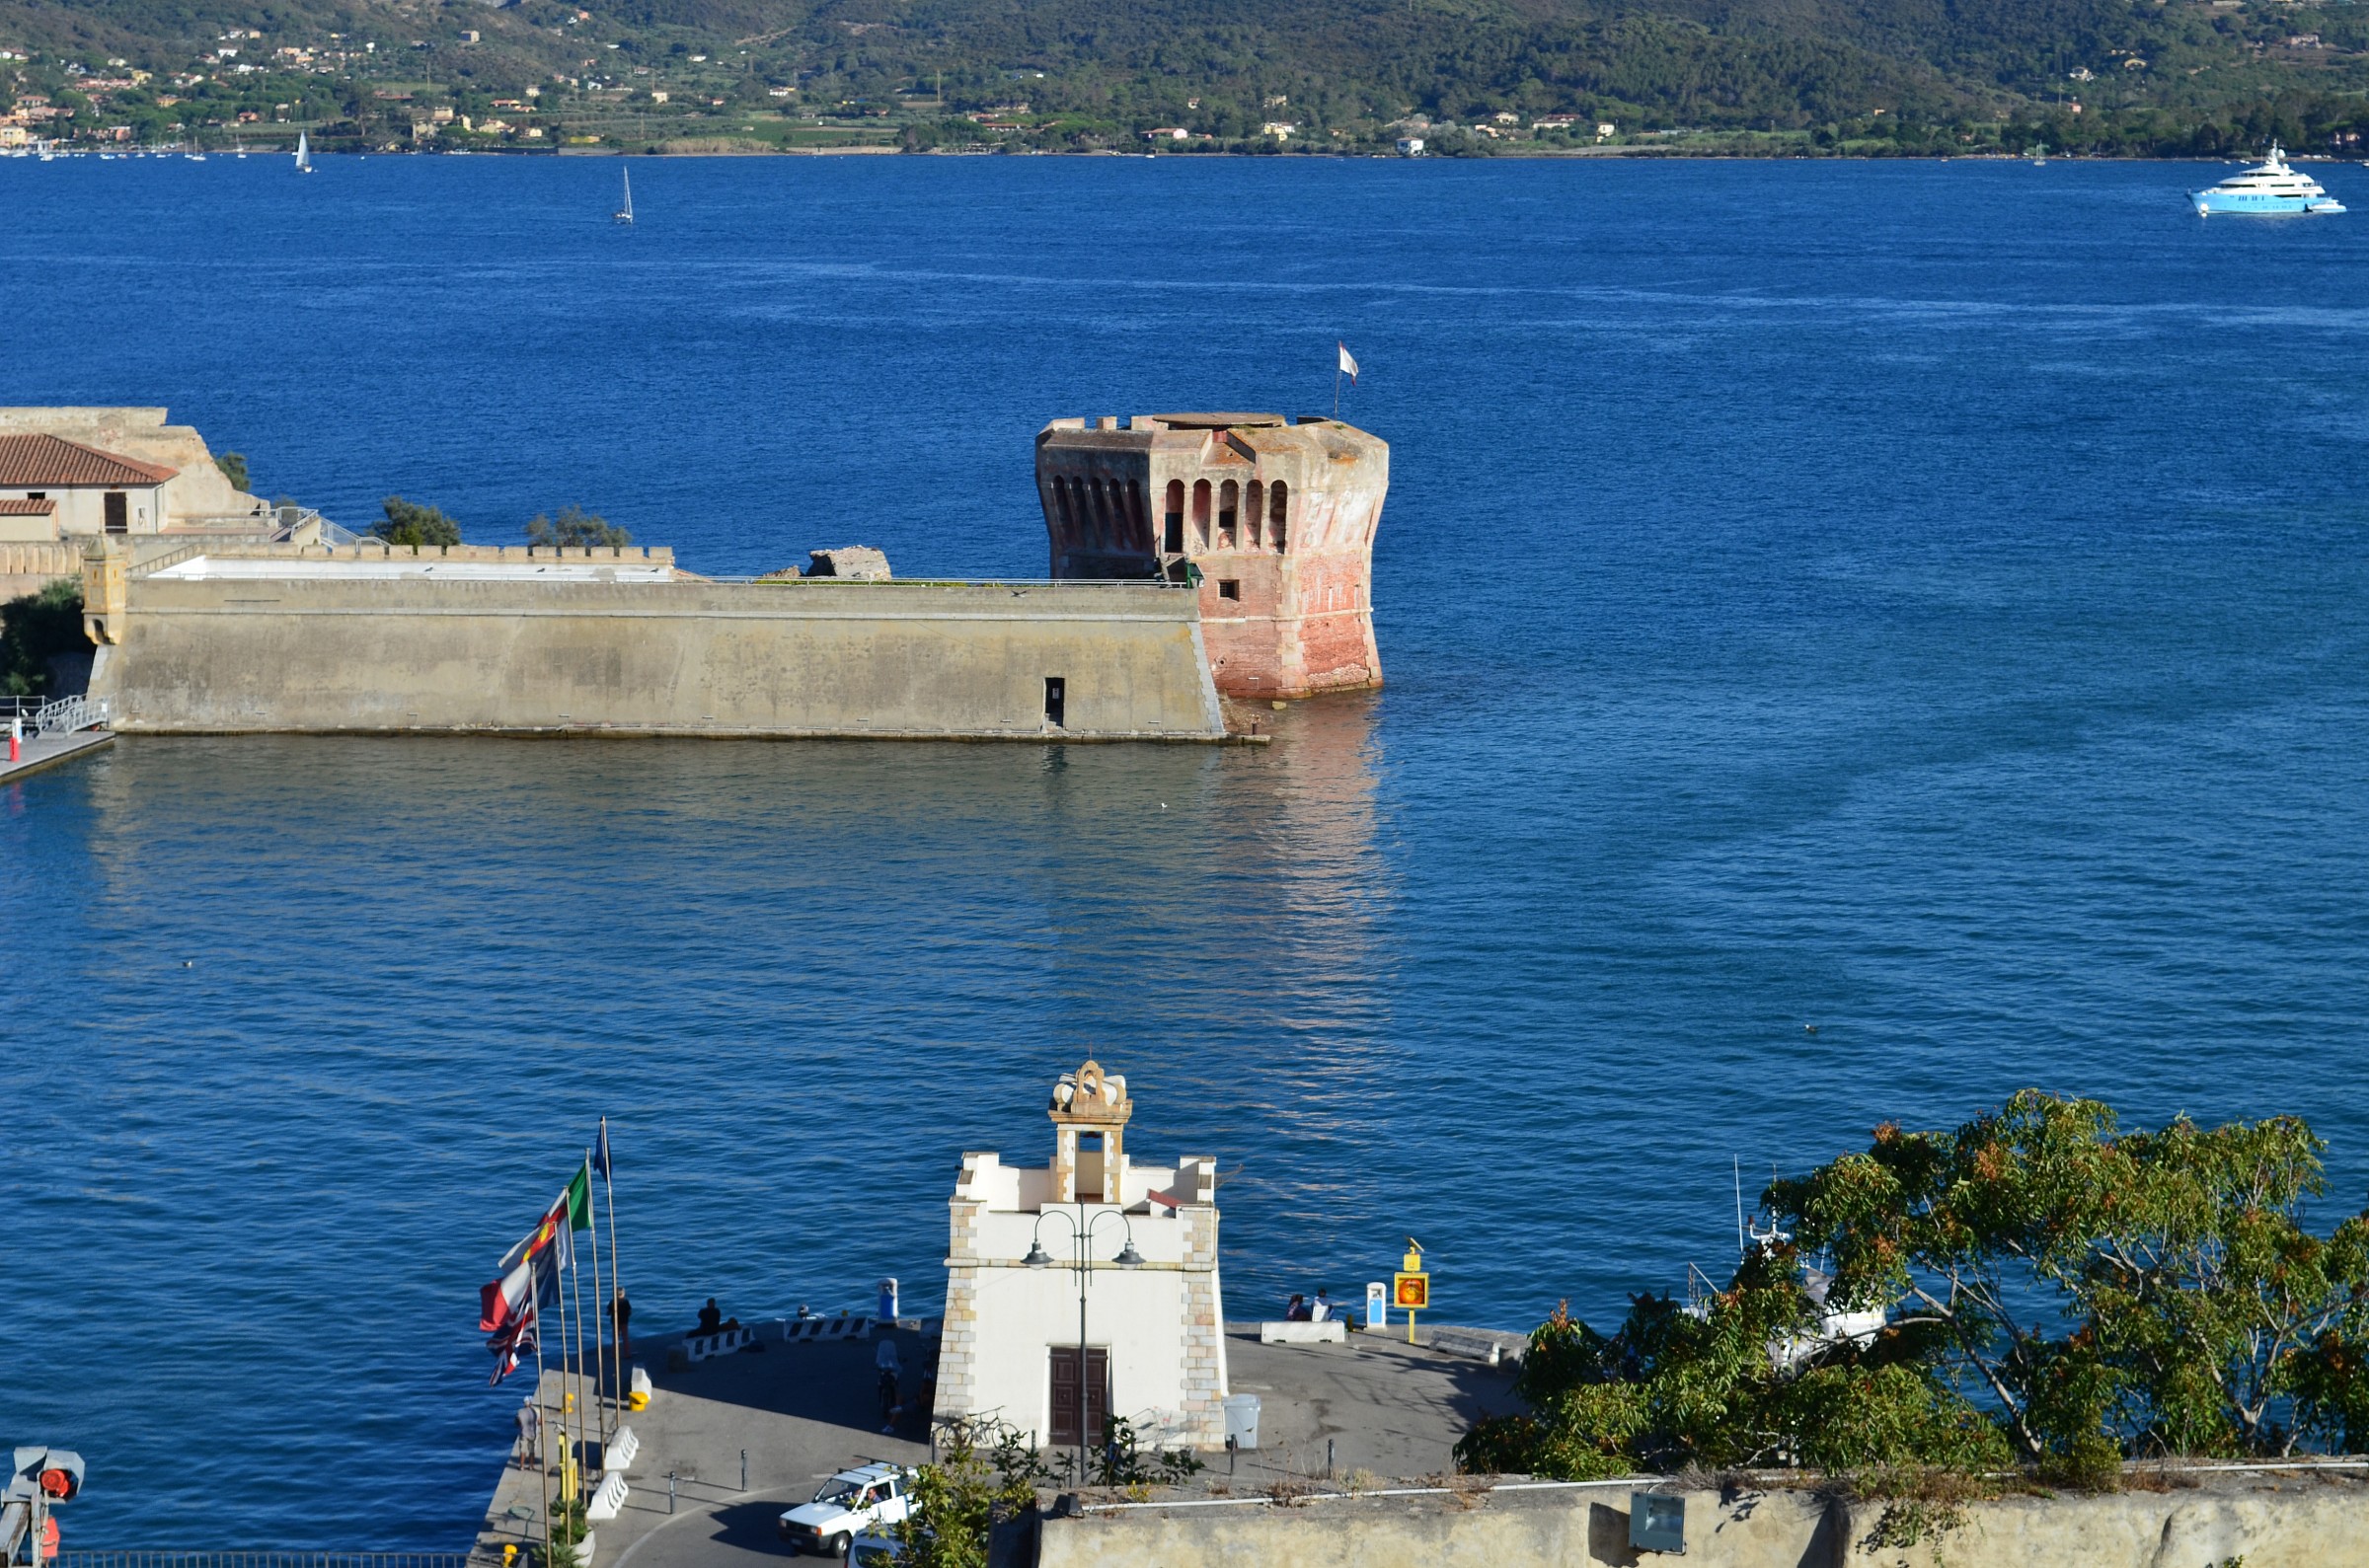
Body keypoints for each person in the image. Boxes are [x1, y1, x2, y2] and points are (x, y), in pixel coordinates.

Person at [516, 1396, 541, 1468]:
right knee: (532, 1450)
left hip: (523, 1434)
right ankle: (531, 1466)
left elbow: (517, 1423)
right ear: (531, 1402)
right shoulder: (536, 1411)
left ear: (524, 1403)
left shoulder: (520, 1411)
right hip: (533, 1433)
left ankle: (521, 1466)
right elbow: (539, 1422)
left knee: (522, 1451)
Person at [609, 1289, 633, 1365]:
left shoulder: (612, 1301)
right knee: (625, 1337)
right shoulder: (626, 1302)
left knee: (615, 1338)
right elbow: (629, 1312)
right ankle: (627, 1354)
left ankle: (614, 1354)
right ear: (623, 1294)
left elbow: (608, 1312)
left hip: (615, 1322)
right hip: (624, 1322)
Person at [878, 1366, 900, 1434]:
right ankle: (881, 1396)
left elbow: (897, 1362)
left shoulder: (893, 1357)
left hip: (891, 1372)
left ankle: (894, 1398)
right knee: (879, 1383)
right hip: (885, 1371)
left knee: (895, 1383)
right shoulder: (883, 1356)